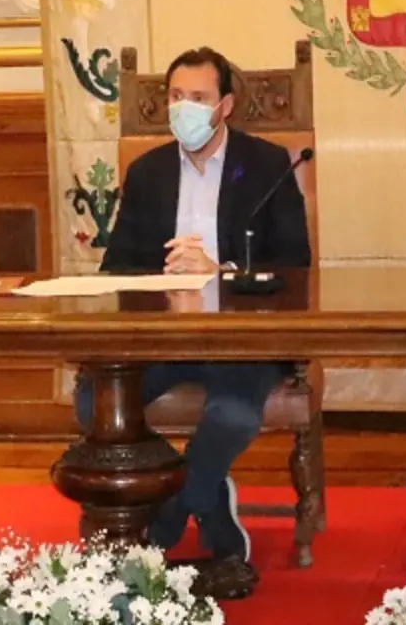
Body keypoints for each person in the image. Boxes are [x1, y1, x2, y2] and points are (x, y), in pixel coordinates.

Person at [74, 47, 310, 584]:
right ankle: (207, 490)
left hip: (241, 339)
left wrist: (220, 272)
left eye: (198, 98)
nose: (184, 108)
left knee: (232, 416)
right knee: (92, 403)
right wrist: (161, 278)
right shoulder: (148, 172)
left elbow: (295, 266)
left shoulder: (268, 166)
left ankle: (166, 519)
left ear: (225, 106)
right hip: (162, 338)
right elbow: (117, 269)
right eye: (176, 97)